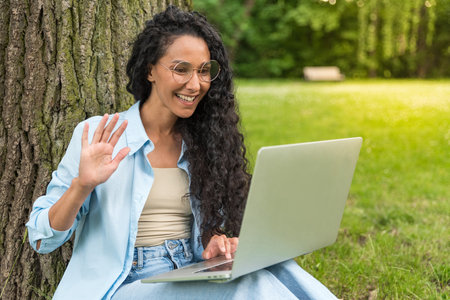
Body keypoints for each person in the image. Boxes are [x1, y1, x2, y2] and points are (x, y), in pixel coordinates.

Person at [26, 6, 338, 300]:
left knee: (275, 267)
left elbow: (202, 230)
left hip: (186, 273)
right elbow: (41, 239)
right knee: (250, 284)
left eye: (204, 71)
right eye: (181, 69)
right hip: (125, 285)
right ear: (150, 71)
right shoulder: (100, 134)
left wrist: (214, 242)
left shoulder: (203, 141)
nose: (195, 83)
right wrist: (83, 184)